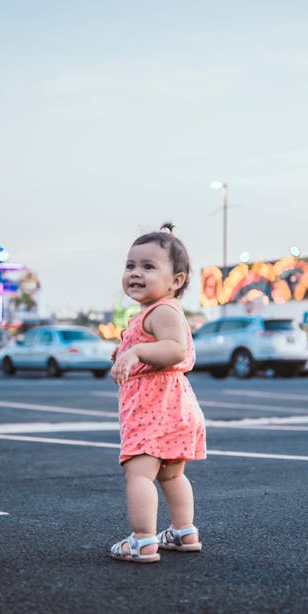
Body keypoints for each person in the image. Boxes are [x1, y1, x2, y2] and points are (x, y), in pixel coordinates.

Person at [110, 223, 206, 563]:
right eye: (130, 265)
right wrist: (126, 353)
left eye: (148, 267)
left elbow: (175, 350)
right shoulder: (151, 313)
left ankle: (142, 540)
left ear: (176, 281)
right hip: (174, 408)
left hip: (156, 408)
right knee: (171, 473)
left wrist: (135, 353)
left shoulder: (163, 310)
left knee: (139, 474)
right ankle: (183, 531)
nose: (136, 273)